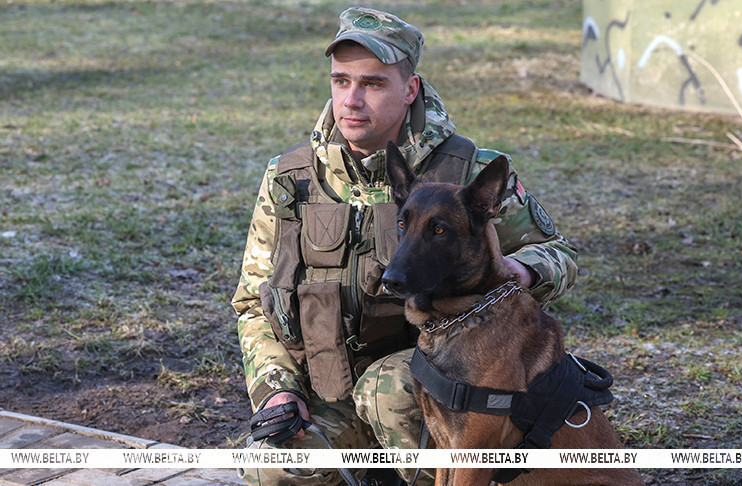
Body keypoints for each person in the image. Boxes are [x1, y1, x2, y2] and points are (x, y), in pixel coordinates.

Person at [231, 7, 579, 485]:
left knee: (390, 391)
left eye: (372, 84)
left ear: (409, 90)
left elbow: (559, 254)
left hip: (428, 376)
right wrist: (275, 390)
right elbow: (253, 301)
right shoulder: (289, 178)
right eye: (340, 81)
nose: (350, 100)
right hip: (329, 387)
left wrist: (521, 270)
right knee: (270, 468)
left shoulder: (468, 172)